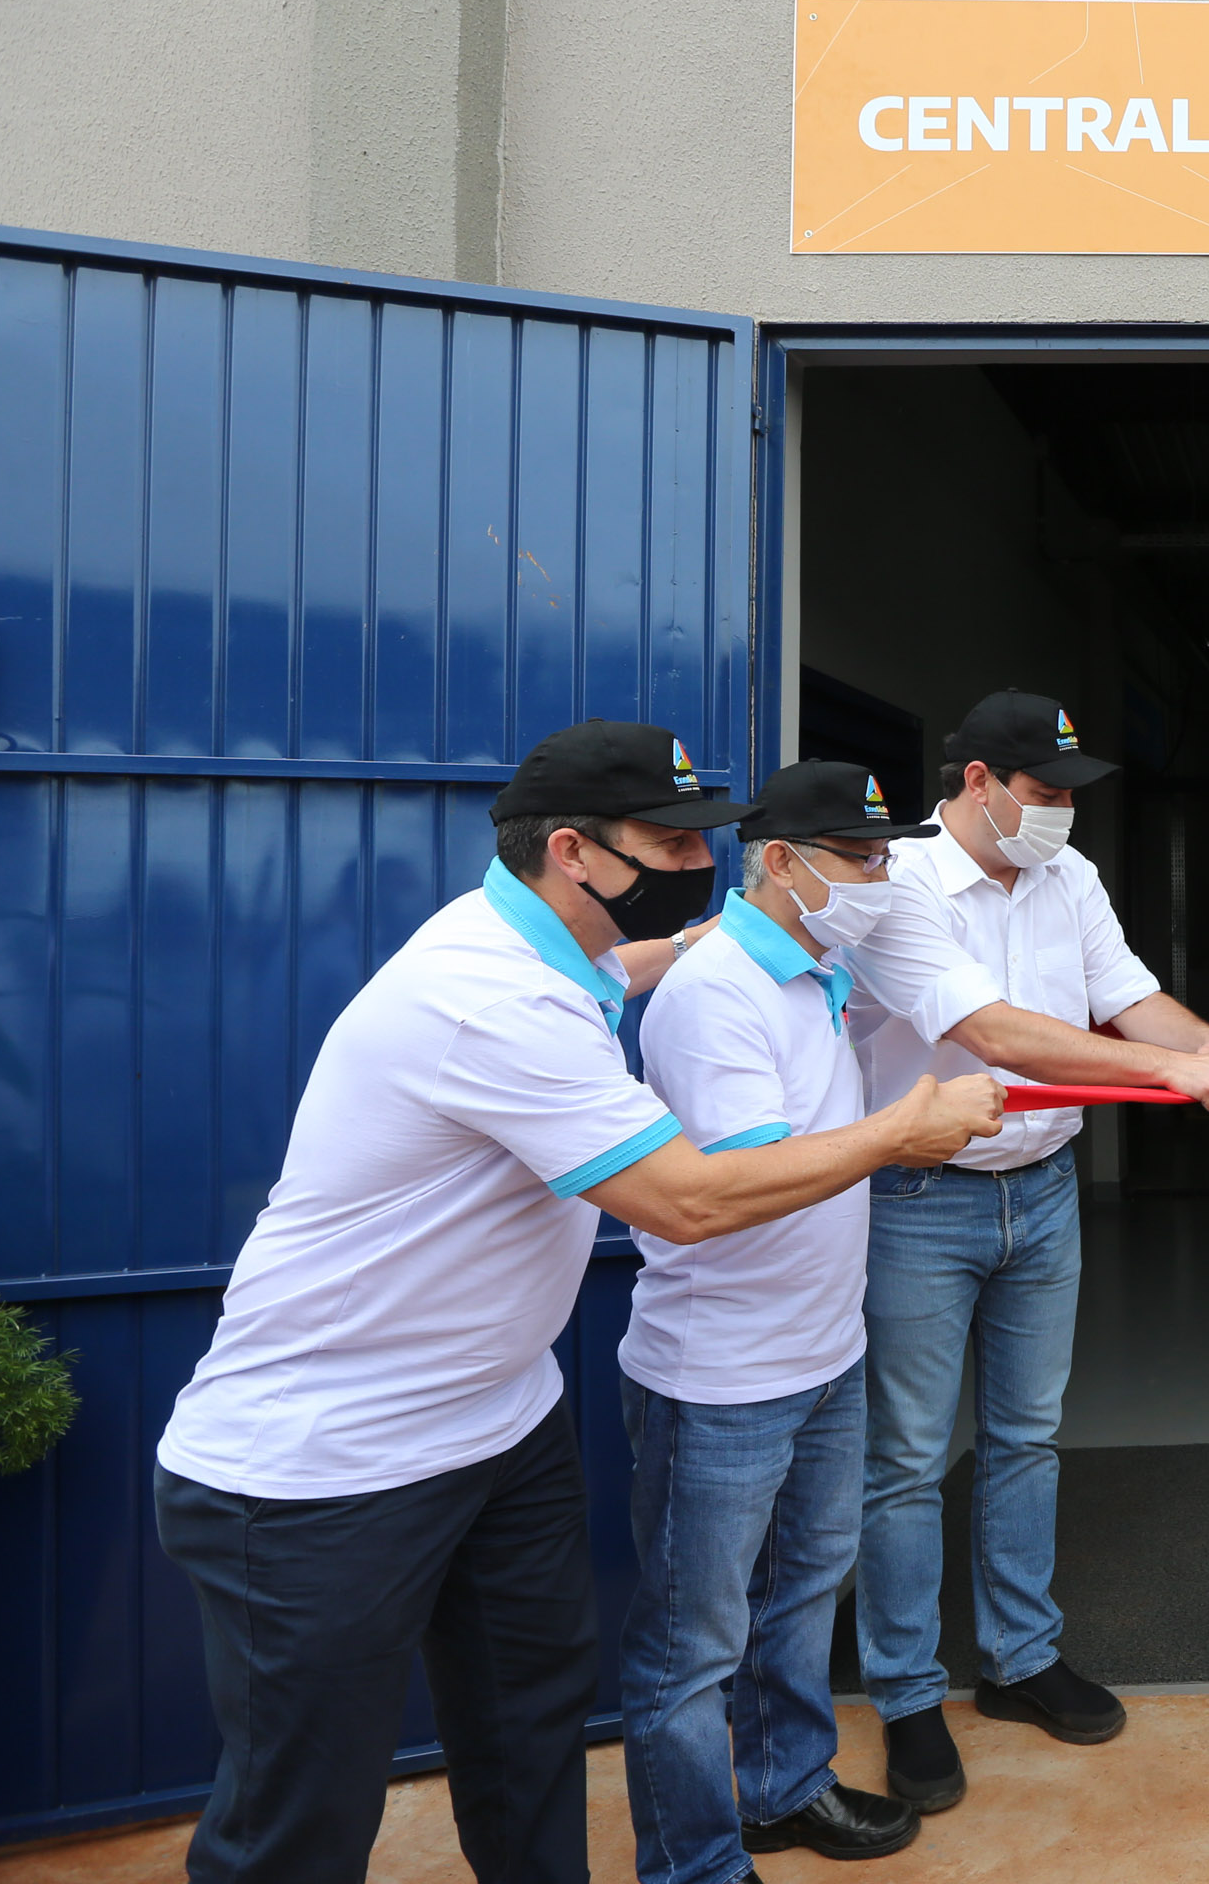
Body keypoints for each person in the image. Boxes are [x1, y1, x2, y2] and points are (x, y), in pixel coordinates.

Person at [152, 721, 1002, 1884]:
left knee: (530, 1738)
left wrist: (704, 938)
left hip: (499, 1426)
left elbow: (631, 966)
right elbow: (686, 1198)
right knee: (301, 1819)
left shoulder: (562, 954)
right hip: (330, 1463)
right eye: (671, 842)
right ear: (571, 850)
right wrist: (903, 1128)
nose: (700, 862)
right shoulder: (492, 999)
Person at [843, 689, 1209, 1807]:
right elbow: (990, 1032)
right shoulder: (898, 880)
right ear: (977, 781)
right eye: (1044, 790)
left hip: (1045, 1189)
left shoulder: (1068, 875)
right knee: (907, 1458)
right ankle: (907, 1693)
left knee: (1026, 1438)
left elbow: (1129, 998)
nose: (1062, 811)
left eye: (1072, 793)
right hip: (921, 1199)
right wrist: (1168, 1070)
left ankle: (1019, 1658)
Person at [620, 760, 981, 1882]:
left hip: (824, 1353)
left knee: (802, 1593)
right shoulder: (715, 990)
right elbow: (745, 1182)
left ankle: (786, 1787)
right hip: (722, 1376)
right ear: (780, 861)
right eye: (861, 858)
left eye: (885, 855)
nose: (882, 877)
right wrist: (905, 1132)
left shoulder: (817, 969)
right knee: (692, 1643)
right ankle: (695, 1861)